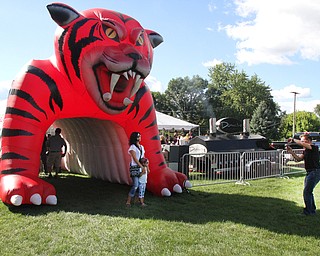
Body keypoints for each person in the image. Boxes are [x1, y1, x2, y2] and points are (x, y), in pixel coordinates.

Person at [286, 134, 320, 215]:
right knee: (309, 191)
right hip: (309, 172)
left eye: (303, 141)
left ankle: (308, 211)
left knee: (307, 192)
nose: (301, 143)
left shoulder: (314, 148)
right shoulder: (306, 151)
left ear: (309, 141)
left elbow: (303, 144)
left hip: (314, 172)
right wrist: (291, 152)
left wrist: (293, 140)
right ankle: (312, 210)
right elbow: (298, 159)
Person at [126, 132, 146, 207]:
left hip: (141, 166)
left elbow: (142, 157)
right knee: (135, 185)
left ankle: (139, 201)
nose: (140, 137)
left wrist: (145, 166)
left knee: (141, 185)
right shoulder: (132, 147)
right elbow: (135, 158)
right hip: (135, 167)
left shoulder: (142, 147)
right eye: (138, 136)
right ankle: (128, 201)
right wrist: (141, 166)